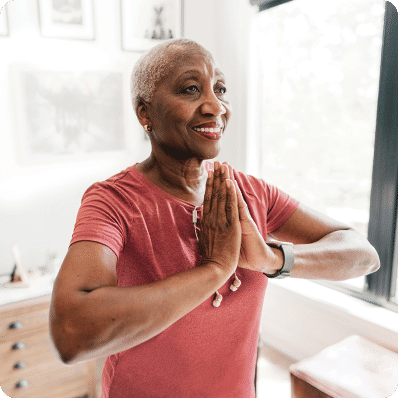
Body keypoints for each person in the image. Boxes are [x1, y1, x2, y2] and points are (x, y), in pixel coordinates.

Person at [49, 39, 380, 398]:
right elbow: (72, 335)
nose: (215, 105)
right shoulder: (113, 200)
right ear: (145, 113)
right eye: (191, 89)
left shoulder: (249, 191)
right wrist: (215, 269)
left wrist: (271, 259)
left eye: (220, 89)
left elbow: (363, 253)